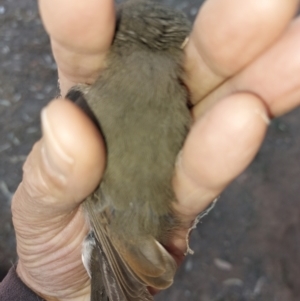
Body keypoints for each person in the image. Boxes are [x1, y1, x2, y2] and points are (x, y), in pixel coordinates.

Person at [1, 0, 300, 300]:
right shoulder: (167, 95)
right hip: (127, 232)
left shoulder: (92, 100)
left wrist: (37, 290)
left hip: (124, 232)